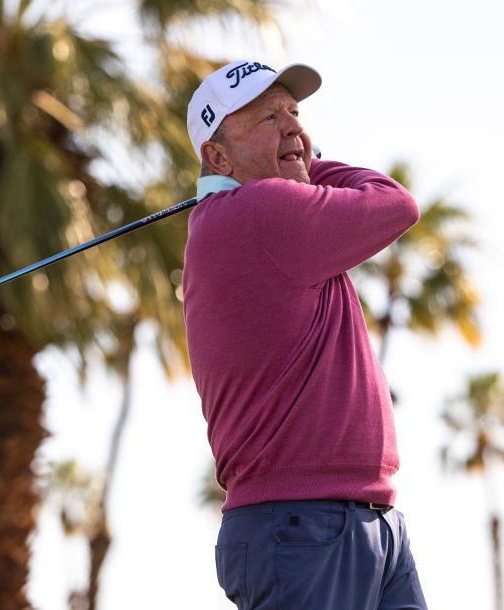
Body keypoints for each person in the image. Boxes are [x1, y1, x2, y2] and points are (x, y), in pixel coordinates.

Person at [182, 59, 429, 610]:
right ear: (216, 156)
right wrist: (309, 166)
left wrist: (294, 161)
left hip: (358, 519)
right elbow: (395, 202)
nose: (294, 128)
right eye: (267, 119)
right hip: (304, 525)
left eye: (294, 112)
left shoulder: (251, 213)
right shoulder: (262, 210)